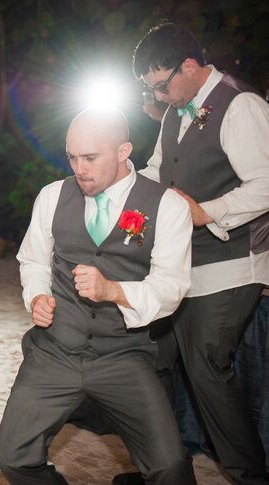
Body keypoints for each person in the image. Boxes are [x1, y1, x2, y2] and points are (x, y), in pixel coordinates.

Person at [0, 107, 196, 485]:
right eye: (71, 156)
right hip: (55, 350)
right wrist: (37, 296)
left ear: (123, 152)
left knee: (169, 466)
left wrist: (112, 291)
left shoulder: (166, 206)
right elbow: (33, 260)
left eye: (90, 157)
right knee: (12, 457)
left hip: (124, 354)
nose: (79, 168)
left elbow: (172, 287)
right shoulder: (52, 196)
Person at [128, 21, 269, 485]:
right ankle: (169, 470)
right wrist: (122, 193)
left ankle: (250, 475)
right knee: (152, 359)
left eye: (161, 85)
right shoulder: (176, 110)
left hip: (233, 266)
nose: (158, 96)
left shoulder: (241, 105)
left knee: (208, 367)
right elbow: (157, 169)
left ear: (189, 66)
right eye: (150, 89)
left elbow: (265, 184)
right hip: (183, 264)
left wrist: (207, 212)